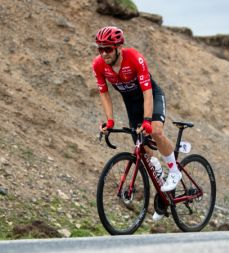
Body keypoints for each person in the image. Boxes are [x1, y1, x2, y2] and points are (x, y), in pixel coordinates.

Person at [92, 26, 181, 221]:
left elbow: (147, 91)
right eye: (100, 49)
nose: (104, 53)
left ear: (118, 47)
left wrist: (148, 120)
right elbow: (104, 93)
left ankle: (174, 171)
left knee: (156, 132)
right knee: (145, 152)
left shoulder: (134, 58)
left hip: (150, 97)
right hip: (132, 106)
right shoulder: (99, 65)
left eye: (108, 49)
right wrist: (110, 120)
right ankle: (164, 194)